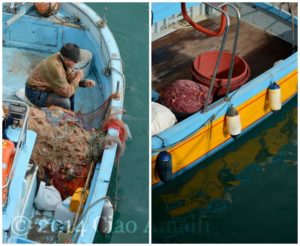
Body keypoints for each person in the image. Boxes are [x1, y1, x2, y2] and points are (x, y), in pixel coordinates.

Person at [25, 43, 95, 110]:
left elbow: (69, 76)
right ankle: (64, 119)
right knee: (65, 102)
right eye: (75, 61)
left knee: (72, 89)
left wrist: (84, 82)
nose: (76, 63)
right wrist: (78, 77)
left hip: (46, 88)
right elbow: (67, 93)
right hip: (35, 93)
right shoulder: (55, 68)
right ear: (67, 60)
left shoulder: (61, 57)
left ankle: (71, 114)